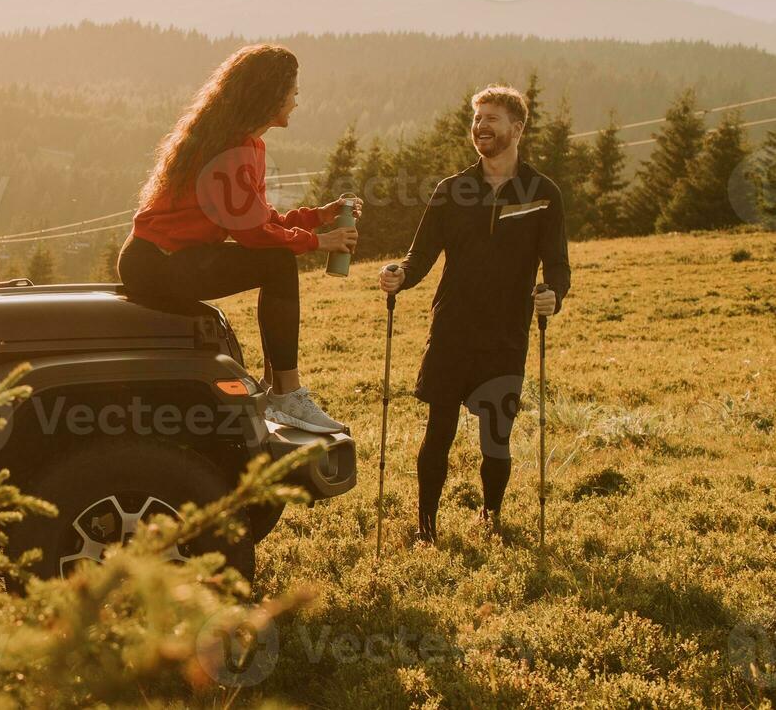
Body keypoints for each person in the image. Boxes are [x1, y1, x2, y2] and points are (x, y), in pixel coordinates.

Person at [117, 43, 360, 433]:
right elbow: (254, 235)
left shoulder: (245, 143)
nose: (297, 101)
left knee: (276, 260)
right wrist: (319, 243)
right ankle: (286, 393)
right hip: (156, 263)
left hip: (166, 258)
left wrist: (319, 216)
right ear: (270, 94)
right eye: (293, 92)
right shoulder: (232, 148)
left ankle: (276, 390)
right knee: (277, 262)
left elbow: (259, 218)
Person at [378, 84, 571, 543]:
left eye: (491, 119)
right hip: (452, 330)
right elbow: (420, 254)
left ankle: (491, 516)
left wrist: (553, 296)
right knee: (438, 431)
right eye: (477, 118)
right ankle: (426, 527)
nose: (480, 126)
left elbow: (557, 265)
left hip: (506, 333)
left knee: (496, 437)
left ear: (517, 128)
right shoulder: (452, 190)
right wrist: (400, 274)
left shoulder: (543, 193)